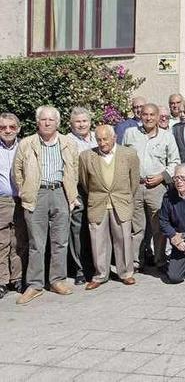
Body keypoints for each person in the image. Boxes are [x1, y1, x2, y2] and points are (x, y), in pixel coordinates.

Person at [14, 106, 79, 305]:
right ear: (37, 122)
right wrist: (25, 191)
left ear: (58, 123)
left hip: (60, 192)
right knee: (36, 243)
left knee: (60, 241)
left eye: (51, 120)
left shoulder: (68, 143)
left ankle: (57, 280)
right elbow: (17, 171)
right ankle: (34, 284)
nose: (47, 123)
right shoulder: (27, 144)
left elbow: (74, 168)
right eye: (43, 119)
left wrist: (71, 193)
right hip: (37, 194)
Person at [78, 125, 139, 289]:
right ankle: (100, 275)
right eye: (98, 139)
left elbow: (134, 182)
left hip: (121, 202)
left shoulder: (129, 154)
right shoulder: (86, 156)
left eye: (105, 139)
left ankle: (126, 273)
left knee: (123, 239)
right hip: (98, 203)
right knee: (98, 241)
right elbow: (85, 183)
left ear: (114, 138)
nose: (102, 142)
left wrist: (124, 197)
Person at [122, 103, 180, 271]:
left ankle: (160, 260)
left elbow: (175, 162)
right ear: (141, 116)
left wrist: (162, 176)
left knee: (158, 227)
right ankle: (136, 261)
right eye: (145, 114)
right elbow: (123, 159)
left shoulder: (167, 136)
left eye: (152, 115)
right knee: (136, 227)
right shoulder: (130, 134)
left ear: (157, 117)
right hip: (135, 187)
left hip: (157, 187)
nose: (148, 118)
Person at [67, 106, 96, 285]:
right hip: (78, 189)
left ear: (90, 122)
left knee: (97, 229)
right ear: (71, 124)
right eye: (77, 121)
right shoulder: (67, 141)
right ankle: (79, 269)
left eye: (84, 121)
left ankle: (99, 266)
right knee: (77, 230)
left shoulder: (97, 138)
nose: (81, 124)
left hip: (97, 190)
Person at [0, 113, 25, 300]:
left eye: (11, 127)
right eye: (3, 127)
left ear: (18, 128)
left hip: (20, 200)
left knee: (19, 241)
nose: (7, 130)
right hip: (1, 201)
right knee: (2, 242)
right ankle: (2, 281)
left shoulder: (25, 147)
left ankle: (17, 278)